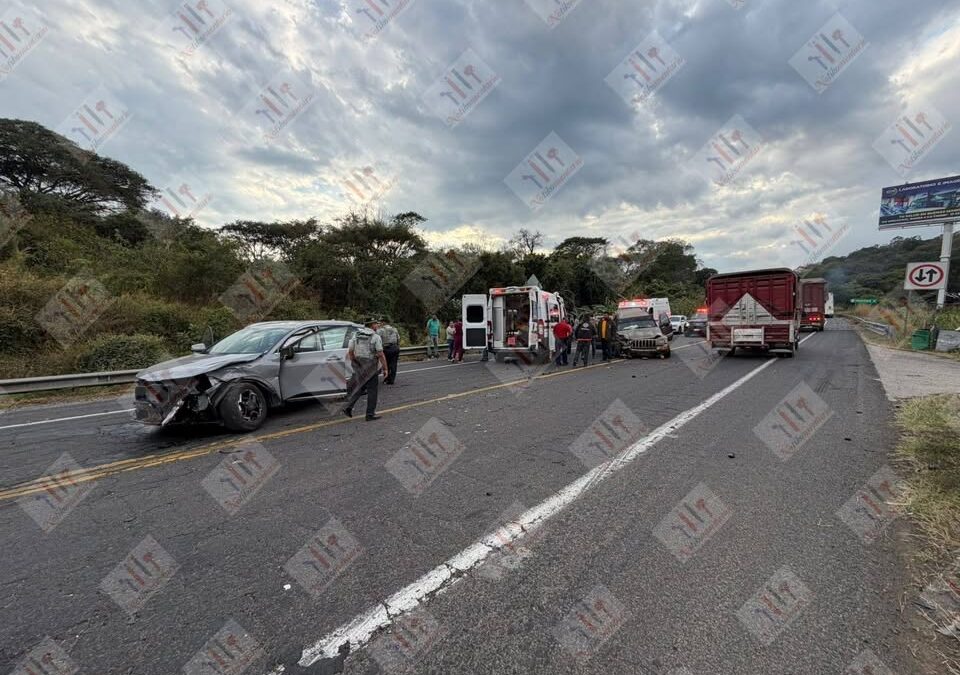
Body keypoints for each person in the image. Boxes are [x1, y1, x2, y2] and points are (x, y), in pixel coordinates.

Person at [342, 319, 389, 421]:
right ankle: (370, 414)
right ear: (372, 325)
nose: (377, 325)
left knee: (361, 387)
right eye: (376, 324)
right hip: (371, 366)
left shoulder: (356, 335)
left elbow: (350, 351)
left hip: (359, 365)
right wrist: (385, 368)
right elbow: (380, 354)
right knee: (372, 390)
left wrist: (356, 363)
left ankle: (348, 407)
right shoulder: (375, 337)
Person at [378, 317, 400, 385]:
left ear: (383, 322)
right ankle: (392, 380)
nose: (380, 323)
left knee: (386, 364)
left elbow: (378, 339)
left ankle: (386, 379)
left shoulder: (381, 330)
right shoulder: (394, 329)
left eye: (380, 322)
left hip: (386, 348)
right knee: (393, 364)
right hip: (395, 348)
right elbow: (398, 338)